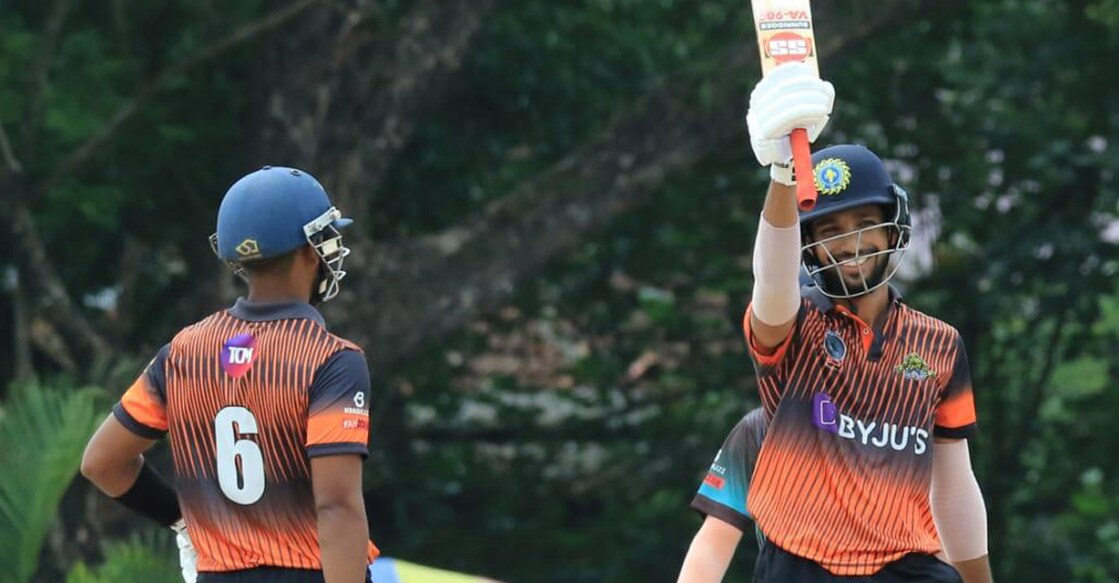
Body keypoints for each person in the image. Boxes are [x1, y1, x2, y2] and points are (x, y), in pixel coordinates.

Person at [678, 63, 993, 583]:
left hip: (907, 569)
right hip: (802, 568)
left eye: (865, 224)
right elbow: (771, 282)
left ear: (893, 227)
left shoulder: (939, 344)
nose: (850, 244)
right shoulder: (793, 331)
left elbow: (954, 485)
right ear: (807, 245)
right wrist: (783, 175)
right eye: (830, 230)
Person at [81, 166, 378, 583]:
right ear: (311, 250)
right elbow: (337, 508)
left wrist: (182, 521)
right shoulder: (331, 359)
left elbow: (102, 463)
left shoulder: (183, 351)